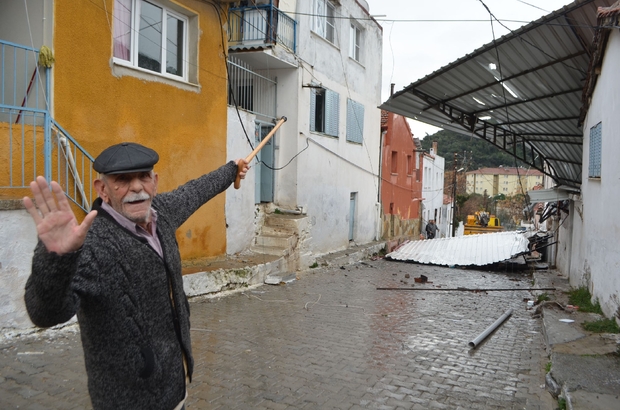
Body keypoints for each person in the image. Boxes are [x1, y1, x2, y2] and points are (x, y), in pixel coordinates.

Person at [23, 142, 249, 410]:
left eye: (143, 177)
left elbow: (196, 190)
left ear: (155, 181)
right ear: (102, 189)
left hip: (174, 387)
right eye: (123, 180)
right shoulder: (92, 244)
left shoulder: (160, 213)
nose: (137, 187)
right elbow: (45, 314)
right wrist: (57, 260)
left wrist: (232, 169)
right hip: (127, 400)